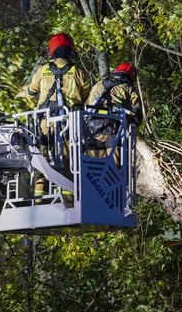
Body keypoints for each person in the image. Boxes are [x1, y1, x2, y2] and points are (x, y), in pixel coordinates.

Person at [19, 32, 90, 201]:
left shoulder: (42, 71)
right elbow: (87, 95)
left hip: (44, 124)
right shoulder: (79, 73)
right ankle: (69, 202)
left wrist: (21, 93)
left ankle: (39, 201)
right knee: (69, 163)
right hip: (69, 124)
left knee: (43, 163)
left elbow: (30, 91)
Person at [83, 62, 142, 159]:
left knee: (93, 166)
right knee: (114, 168)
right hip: (114, 131)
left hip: (92, 130)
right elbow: (137, 112)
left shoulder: (98, 85)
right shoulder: (128, 88)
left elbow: (87, 105)